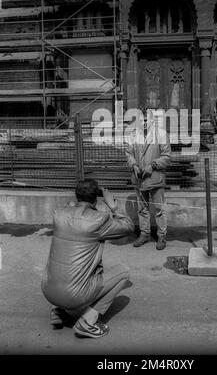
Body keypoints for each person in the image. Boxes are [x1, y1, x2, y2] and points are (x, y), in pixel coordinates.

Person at [41, 179, 134, 339]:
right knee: (123, 272)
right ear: (96, 198)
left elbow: (72, 210)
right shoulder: (99, 220)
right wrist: (113, 206)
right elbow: (128, 227)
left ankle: (59, 312)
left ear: (76, 195)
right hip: (75, 295)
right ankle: (88, 323)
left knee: (71, 263)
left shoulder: (59, 214)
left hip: (48, 290)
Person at [125, 110, 171, 250]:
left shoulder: (161, 134)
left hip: (155, 178)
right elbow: (129, 152)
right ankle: (144, 234)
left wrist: (153, 165)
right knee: (142, 208)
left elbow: (166, 156)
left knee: (159, 208)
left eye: (146, 119)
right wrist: (133, 165)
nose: (144, 122)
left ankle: (161, 236)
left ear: (152, 119)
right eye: (141, 119)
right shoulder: (133, 135)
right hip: (139, 178)